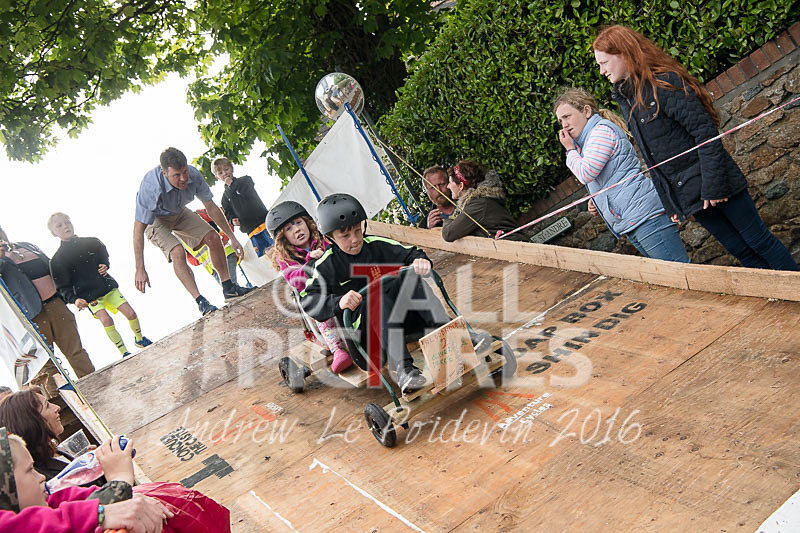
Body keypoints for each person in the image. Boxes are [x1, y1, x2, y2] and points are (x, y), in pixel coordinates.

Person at [592, 25, 798, 271]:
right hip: (691, 195)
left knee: (759, 241)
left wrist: (713, 186)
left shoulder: (664, 83)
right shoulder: (627, 100)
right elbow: (652, 158)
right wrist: (671, 203)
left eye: (604, 63)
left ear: (624, 54)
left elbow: (705, 134)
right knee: (739, 250)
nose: (602, 71)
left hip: (716, 182)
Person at [300, 193, 455, 394]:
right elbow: (309, 300)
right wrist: (339, 301)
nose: (355, 239)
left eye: (357, 230)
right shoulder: (325, 265)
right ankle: (404, 370)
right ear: (330, 237)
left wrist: (420, 261)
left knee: (409, 278)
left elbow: (411, 252)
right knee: (375, 296)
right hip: (366, 341)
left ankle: (452, 334)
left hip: (404, 324)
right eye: (345, 236)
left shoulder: (376, 244)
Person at [0, 427, 231, 533]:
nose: (40, 476)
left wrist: (131, 498)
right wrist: (119, 482)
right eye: (29, 470)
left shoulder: (42, 499)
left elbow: (65, 501)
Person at [553, 88, 690, 262]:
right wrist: (597, 200)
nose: (564, 125)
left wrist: (570, 150)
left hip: (645, 216)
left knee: (679, 269)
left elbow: (586, 173)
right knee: (670, 273)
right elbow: (612, 177)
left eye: (567, 116)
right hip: (633, 220)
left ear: (586, 111)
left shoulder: (600, 132)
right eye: (560, 120)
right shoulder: (588, 141)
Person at [133, 147, 254, 317]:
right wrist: (140, 268)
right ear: (164, 173)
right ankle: (201, 302)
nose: (183, 179)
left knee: (213, 237)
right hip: (155, 220)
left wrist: (233, 238)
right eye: (176, 175)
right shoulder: (150, 186)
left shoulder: (194, 175)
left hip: (178, 212)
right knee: (177, 251)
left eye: (185, 172)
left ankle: (229, 288)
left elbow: (211, 207)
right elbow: (138, 229)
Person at [0, 225, 94, 392]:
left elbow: (54, 268)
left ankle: (95, 386)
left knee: (75, 351)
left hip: (55, 304)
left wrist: (72, 294)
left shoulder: (26, 246)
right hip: (31, 316)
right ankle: (62, 402)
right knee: (46, 364)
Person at [48, 213, 153, 358]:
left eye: (67, 222)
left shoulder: (92, 242)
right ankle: (124, 352)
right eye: (59, 225)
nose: (65, 226)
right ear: (53, 233)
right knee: (106, 320)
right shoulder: (57, 260)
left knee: (131, 313)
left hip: (107, 287)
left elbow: (103, 255)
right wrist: (74, 299)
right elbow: (62, 286)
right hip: (89, 296)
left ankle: (139, 339)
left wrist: (105, 264)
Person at [267, 201, 353, 373]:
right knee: (321, 311)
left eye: (299, 223)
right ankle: (338, 349)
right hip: (315, 295)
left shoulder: (322, 239)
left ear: (307, 222)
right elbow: (295, 280)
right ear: (283, 237)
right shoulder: (285, 258)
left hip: (337, 284)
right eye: (289, 228)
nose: (297, 229)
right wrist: (310, 263)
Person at [0, 387, 84, 480]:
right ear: (31, 421)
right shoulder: (42, 477)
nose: (57, 407)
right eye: (47, 406)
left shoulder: (53, 452)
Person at [441, 161, 529, 242]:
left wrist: (447, 220)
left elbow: (448, 234)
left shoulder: (479, 204)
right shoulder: (480, 201)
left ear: (461, 186)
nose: (448, 186)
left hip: (518, 248)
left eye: (450, 182)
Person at [214, 157, 274, 257]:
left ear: (232, 168)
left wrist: (232, 184)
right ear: (217, 176)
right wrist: (233, 220)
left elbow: (246, 192)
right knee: (266, 255)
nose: (224, 173)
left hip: (264, 221)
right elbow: (229, 214)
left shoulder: (245, 180)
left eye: (226, 169)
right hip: (251, 230)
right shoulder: (224, 198)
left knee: (279, 245)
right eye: (220, 173)